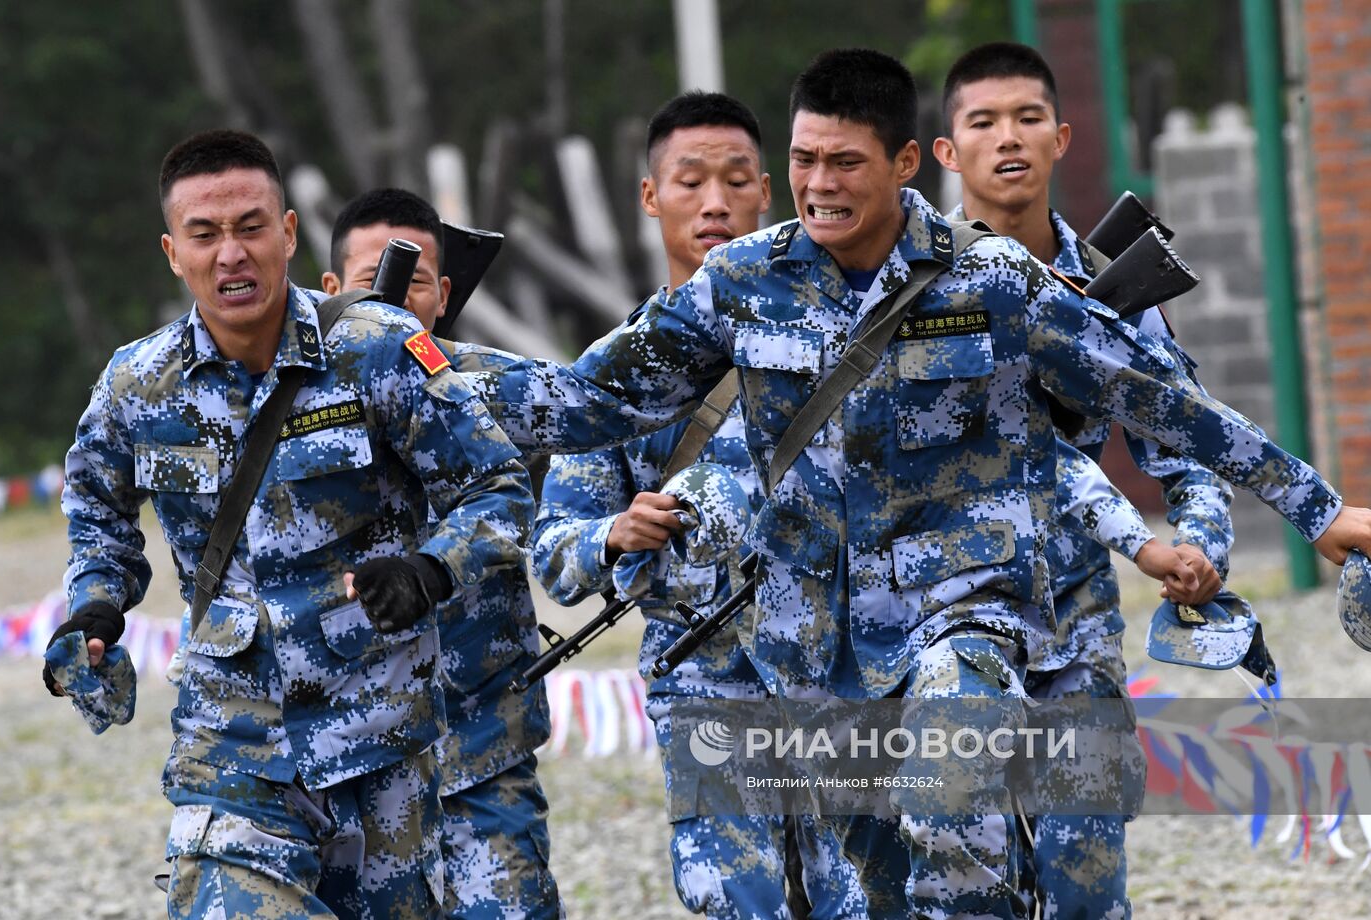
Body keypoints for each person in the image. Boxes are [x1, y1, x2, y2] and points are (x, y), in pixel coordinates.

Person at [459, 48, 1371, 918]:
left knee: (954, 789)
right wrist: (417, 361)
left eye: (845, 164)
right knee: (875, 892)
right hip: (812, 650)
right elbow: (585, 406)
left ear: (903, 162)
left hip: (967, 611)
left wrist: (1316, 509)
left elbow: (1165, 403)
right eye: (805, 160)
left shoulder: (991, 281)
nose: (820, 185)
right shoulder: (743, 282)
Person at [47, 128, 533, 919]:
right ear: (174, 252)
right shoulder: (139, 383)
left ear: (289, 234)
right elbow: (96, 502)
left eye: (249, 227)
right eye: (205, 235)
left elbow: (496, 483)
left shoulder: (377, 349)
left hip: (383, 742)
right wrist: (100, 600)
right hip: (232, 743)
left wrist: (431, 568)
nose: (230, 254)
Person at [530, 91, 868, 919]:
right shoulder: (615, 371)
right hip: (707, 684)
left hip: (847, 676)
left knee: (862, 897)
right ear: (652, 198)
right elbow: (554, 554)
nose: (715, 203)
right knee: (733, 900)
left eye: (735, 180)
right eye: (690, 182)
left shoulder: (850, 341)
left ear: (768, 193)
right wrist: (615, 533)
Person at [931, 41, 1234, 918]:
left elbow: (1186, 446)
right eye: (982, 123)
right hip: (936, 621)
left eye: (1027, 118)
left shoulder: (1117, 289)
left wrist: (1200, 548)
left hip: (1075, 619)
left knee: (1087, 873)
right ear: (947, 152)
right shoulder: (909, 286)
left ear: (1061, 137)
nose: (1008, 139)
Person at [321, 187, 561, 918]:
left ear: (446, 293)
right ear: (331, 292)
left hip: (481, 742)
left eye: (413, 280)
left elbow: (605, 406)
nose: (391, 305)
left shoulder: (496, 384)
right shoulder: (297, 400)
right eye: (370, 284)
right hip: (354, 759)